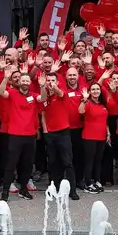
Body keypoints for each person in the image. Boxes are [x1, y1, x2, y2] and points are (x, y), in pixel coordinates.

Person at [0, 69, 38, 201]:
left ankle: (23, 190)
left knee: (27, 165)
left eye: (27, 80)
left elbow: (43, 98)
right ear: (19, 82)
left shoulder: (33, 95)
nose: (25, 82)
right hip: (15, 135)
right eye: (23, 80)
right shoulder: (12, 93)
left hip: (30, 135)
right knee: (11, 165)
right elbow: (1, 92)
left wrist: (43, 86)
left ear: (30, 82)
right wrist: (5, 78)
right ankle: (5, 193)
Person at [38, 70, 79, 199]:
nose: (50, 83)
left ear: (57, 82)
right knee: (53, 162)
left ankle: (73, 190)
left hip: (63, 132)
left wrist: (54, 87)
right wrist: (45, 131)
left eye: (53, 80)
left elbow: (60, 93)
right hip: (50, 133)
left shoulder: (62, 93)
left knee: (67, 162)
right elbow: (43, 113)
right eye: (48, 80)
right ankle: (54, 188)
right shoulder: (44, 95)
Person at [79, 82, 109, 194]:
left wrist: (108, 133)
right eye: (93, 89)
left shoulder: (102, 104)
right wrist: (84, 100)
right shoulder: (87, 103)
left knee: (98, 160)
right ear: (90, 92)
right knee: (89, 161)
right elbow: (80, 111)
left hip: (101, 136)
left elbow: (105, 120)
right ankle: (88, 183)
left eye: (97, 89)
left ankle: (97, 180)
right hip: (89, 137)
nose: (95, 91)